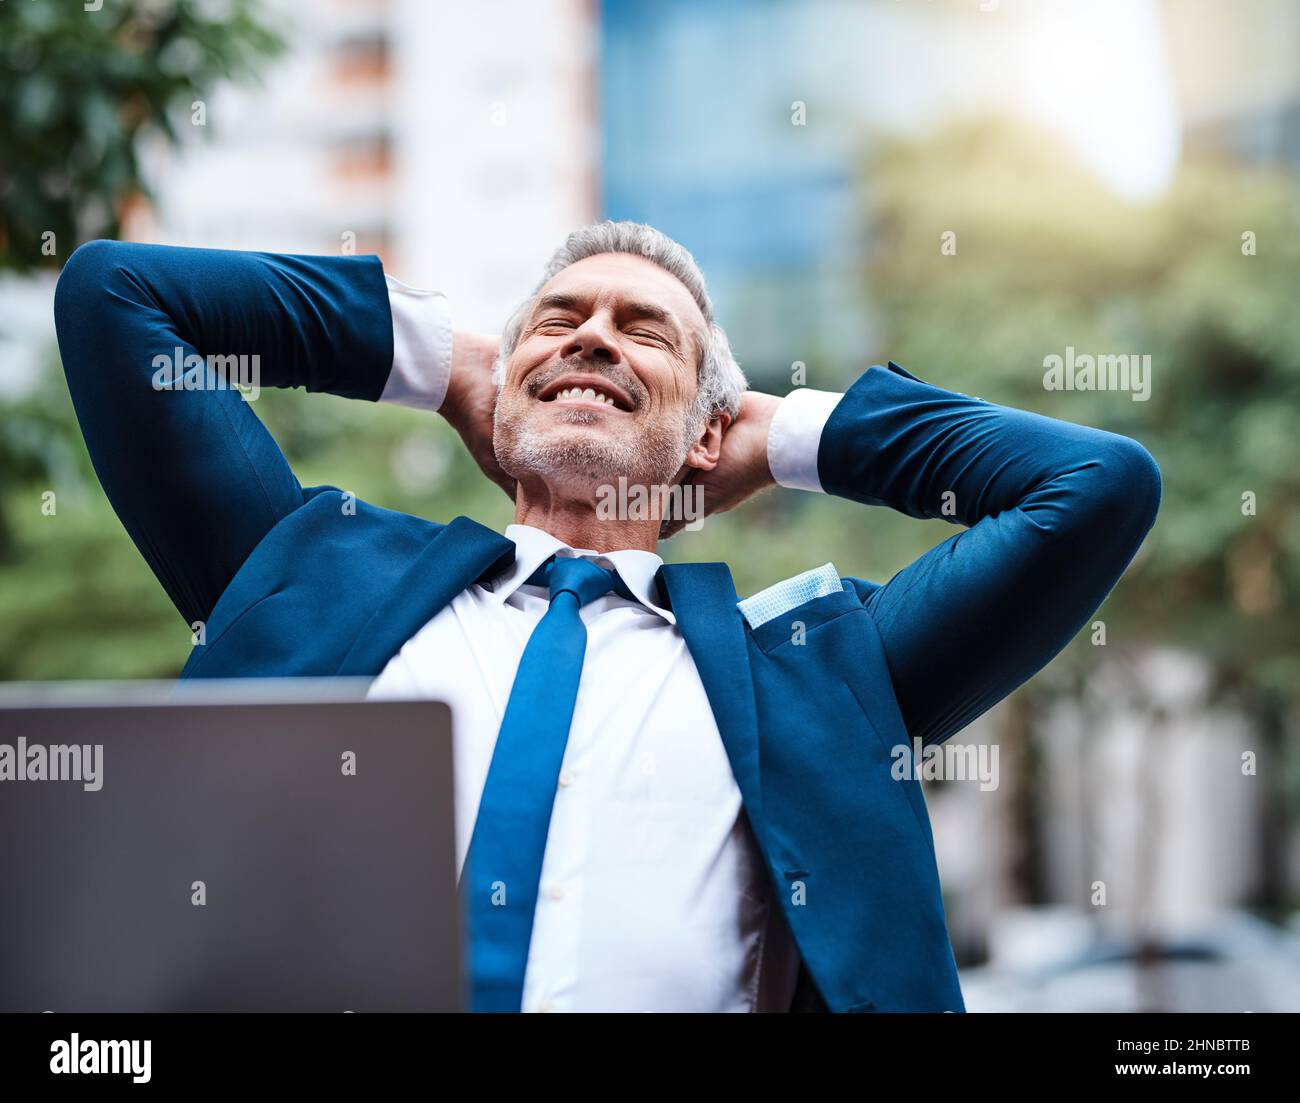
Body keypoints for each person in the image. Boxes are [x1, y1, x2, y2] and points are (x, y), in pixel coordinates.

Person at [53, 221, 1161, 1013]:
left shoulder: (826, 669)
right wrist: (442, 363)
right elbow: (114, 294)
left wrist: (778, 437)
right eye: (557, 320)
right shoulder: (311, 568)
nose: (590, 337)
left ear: (705, 436)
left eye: (645, 332)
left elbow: (1093, 485)